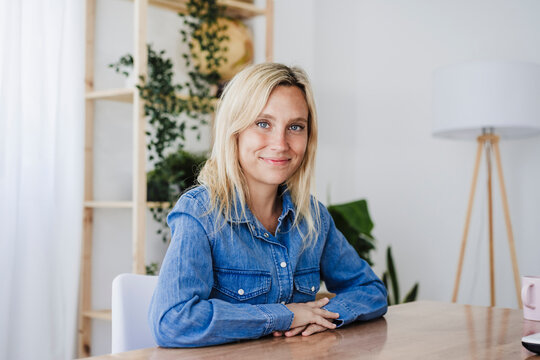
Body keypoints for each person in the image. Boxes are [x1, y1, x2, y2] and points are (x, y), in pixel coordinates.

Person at [148, 63, 387, 347]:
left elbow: (371, 291)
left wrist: (320, 315)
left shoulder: (311, 217)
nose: (280, 143)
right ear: (234, 131)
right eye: (263, 124)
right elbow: (173, 321)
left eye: (295, 127)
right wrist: (285, 315)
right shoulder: (201, 213)